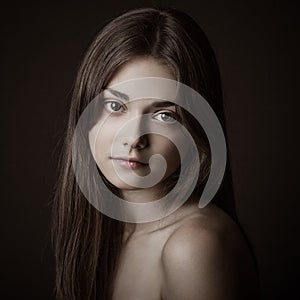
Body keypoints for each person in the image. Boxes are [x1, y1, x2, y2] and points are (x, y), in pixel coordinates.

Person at [52, 7, 261, 300]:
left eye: (165, 115)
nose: (134, 138)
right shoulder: (104, 234)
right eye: (115, 107)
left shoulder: (193, 246)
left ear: (196, 132)